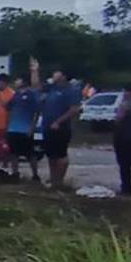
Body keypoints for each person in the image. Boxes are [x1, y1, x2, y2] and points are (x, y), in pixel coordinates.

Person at [31, 57, 82, 187]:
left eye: (57, 72)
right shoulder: (51, 87)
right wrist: (34, 70)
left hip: (61, 128)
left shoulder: (71, 90)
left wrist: (59, 121)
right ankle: (53, 180)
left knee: (61, 156)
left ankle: (60, 180)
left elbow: (74, 109)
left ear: (64, 76)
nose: (54, 75)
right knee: (51, 156)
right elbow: (36, 86)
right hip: (47, 126)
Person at [5, 75, 40, 181]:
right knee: (13, 153)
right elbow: (8, 107)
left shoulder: (31, 94)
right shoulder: (15, 95)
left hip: (25, 129)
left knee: (30, 154)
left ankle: (35, 174)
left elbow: (37, 112)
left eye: (17, 80)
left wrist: (32, 128)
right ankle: (15, 173)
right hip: (13, 129)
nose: (15, 82)